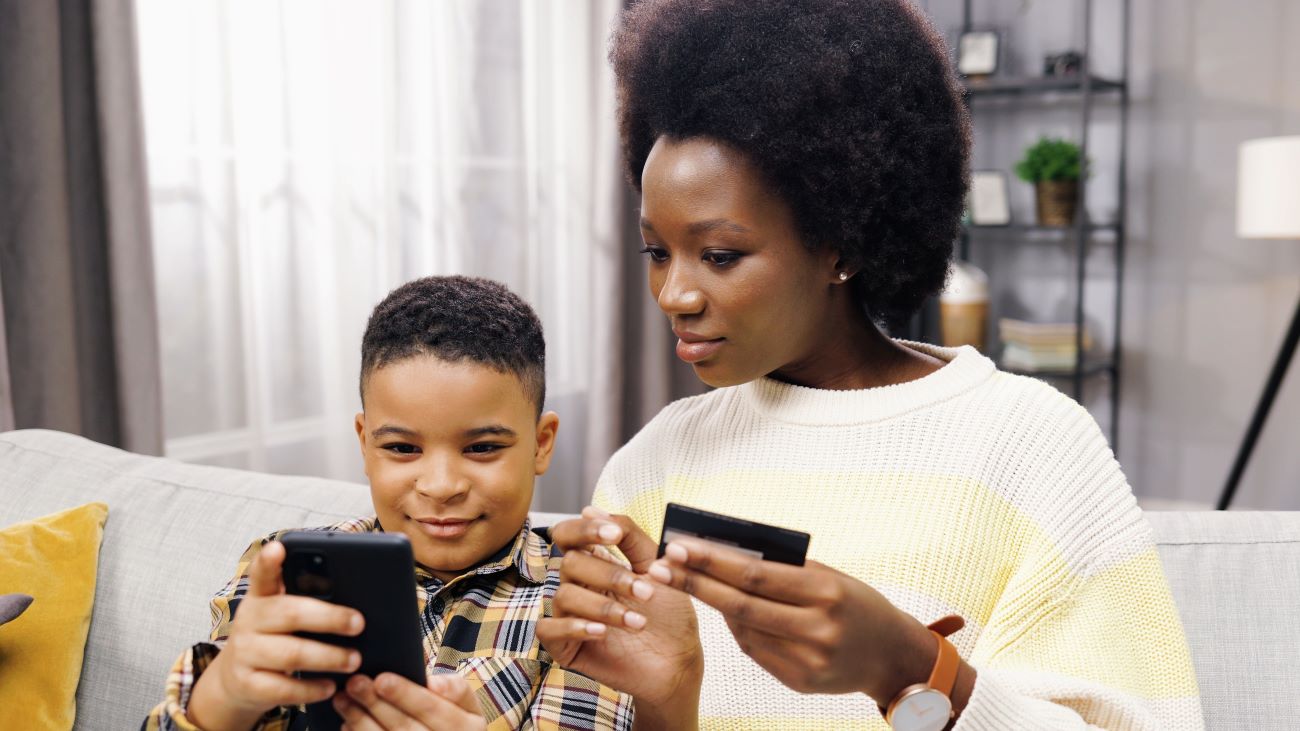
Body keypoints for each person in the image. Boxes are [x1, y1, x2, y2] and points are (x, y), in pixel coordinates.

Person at [535, 1, 1204, 729]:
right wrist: (668, 697)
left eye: (720, 254)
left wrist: (906, 667)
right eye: (656, 251)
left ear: (842, 246)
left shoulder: (1030, 442)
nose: (674, 292)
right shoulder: (652, 464)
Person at [145, 276, 633, 731]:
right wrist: (225, 693)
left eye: (482, 448)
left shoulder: (580, 590)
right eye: (402, 448)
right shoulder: (282, 569)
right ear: (364, 443)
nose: (441, 486)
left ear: (541, 444)